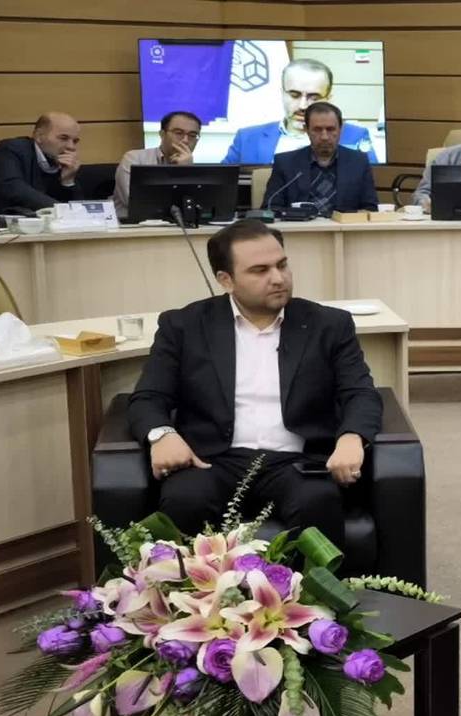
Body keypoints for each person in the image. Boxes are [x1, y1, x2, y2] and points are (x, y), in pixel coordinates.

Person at [127, 218, 382, 547]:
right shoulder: (184, 326)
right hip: (212, 460)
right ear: (226, 280)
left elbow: (360, 392)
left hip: (298, 462)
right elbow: (148, 397)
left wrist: (351, 438)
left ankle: (317, 585)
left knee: (317, 503)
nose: (278, 278)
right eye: (260, 270)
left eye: (282, 265)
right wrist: (162, 434)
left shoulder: (328, 324)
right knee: (185, 501)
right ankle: (188, 584)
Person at [223, 58, 377, 165]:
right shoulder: (247, 138)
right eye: (294, 95)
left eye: (314, 97)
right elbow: (225, 188)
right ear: (282, 93)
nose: (303, 106)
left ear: (328, 99)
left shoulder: (355, 136)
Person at [0, 112, 83, 219]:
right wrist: (64, 210)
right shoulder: (10, 149)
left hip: (26, 227)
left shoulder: (59, 162)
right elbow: (14, 188)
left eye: (75, 141)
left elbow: (72, 211)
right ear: (39, 136)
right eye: (63, 138)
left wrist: (67, 181)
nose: (71, 147)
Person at [260, 102, 378, 214]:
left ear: (340, 129)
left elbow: (370, 208)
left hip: (343, 227)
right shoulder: (285, 163)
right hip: (300, 227)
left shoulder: (358, 162)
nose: (324, 137)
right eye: (317, 130)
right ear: (307, 130)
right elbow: (270, 208)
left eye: (330, 129)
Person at [113, 110, 202, 219]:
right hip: (133, 225)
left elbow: (197, 207)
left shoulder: (193, 167)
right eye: (178, 133)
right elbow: (136, 202)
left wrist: (187, 171)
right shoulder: (134, 159)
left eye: (192, 135)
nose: (185, 140)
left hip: (178, 226)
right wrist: (181, 173)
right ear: (162, 134)